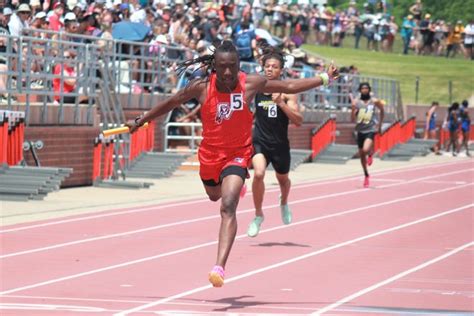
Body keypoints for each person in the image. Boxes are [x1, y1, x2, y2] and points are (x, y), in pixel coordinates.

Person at [126, 40, 338, 288]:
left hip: (238, 153)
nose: (228, 72)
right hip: (209, 155)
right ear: (214, 66)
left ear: (239, 65)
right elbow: (171, 102)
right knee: (214, 196)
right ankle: (230, 185)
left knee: (228, 206)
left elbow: (289, 85)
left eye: (232, 66)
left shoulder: (250, 83)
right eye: (223, 67)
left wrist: (325, 78)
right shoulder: (202, 87)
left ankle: (219, 267)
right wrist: (141, 120)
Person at [247, 47, 303, 238]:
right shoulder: (257, 89)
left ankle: (284, 201)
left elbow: (298, 121)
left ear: (281, 71)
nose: (270, 69)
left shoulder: (287, 92)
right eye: (267, 66)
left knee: (283, 180)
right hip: (260, 140)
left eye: (274, 67)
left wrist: (281, 103)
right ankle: (258, 214)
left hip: (280, 144)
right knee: (259, 174)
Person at [351, 82, 384, 188]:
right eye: (362, 88)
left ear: (369, 90)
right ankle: (366, 175)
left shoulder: (374, 101)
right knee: (361, 155)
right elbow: (352, 119)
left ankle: (370, 153)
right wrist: (352, 109)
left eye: (366, 88)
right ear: (360, 90)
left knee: (365, 149)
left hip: (370, 129)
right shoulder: (356, 102)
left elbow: (382, 110)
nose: (364, 90)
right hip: (360, 130)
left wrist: (379, 125)